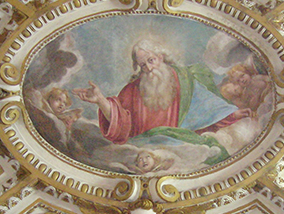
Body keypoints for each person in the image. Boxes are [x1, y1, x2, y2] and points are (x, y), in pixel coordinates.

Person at [73, 39, 251, 146]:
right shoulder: (132, 91)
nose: (149, 68)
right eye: (143, 65)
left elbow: (208, 107)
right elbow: (121, 126)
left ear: (161, 57)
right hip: (147, 150)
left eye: (151, 60)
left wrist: (232, 114)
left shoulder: (184, 79)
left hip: (181, 147)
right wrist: (100, 100)